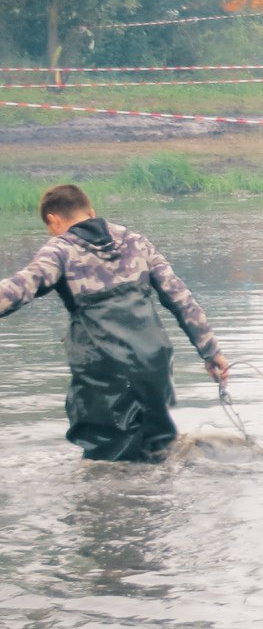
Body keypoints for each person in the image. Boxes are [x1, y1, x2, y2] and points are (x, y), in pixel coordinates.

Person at [1, 184, 229, 461]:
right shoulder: (136, 241)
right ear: (91, 212)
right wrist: (210, 350)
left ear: (53, 220)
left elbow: (18, 289)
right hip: (153, 363)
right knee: (158, 450)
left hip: (103, 370)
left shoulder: (60, 250)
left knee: (107, 458)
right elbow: (181, 298)